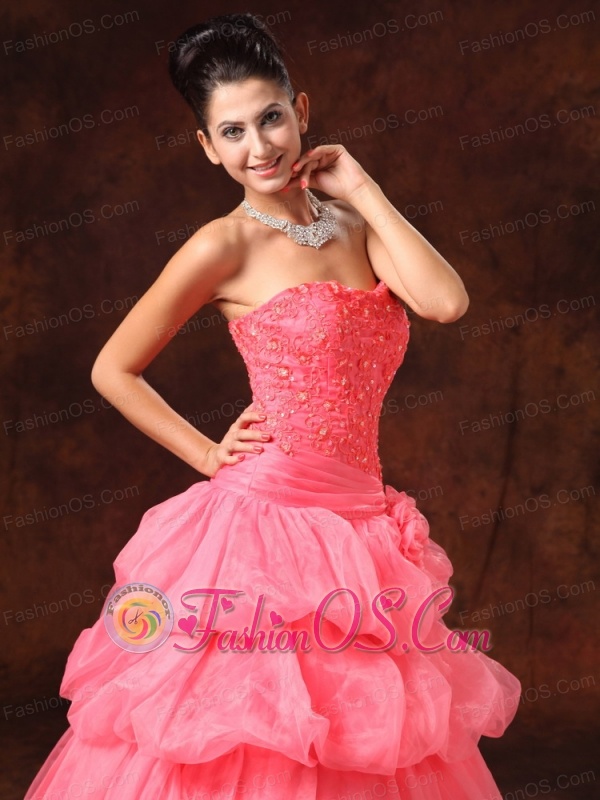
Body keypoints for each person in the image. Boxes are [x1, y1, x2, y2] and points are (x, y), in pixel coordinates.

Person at [25, 13, 521, 799]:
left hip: (361, 528)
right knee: (261, 733)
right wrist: (206, 454)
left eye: (271, 117)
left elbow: (446, 302)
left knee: (363, 735)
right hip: (264, 530)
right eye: (232, 131)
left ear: (302, 111)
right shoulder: (221, 245)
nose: (258, 146)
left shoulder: (356, 226)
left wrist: (363, 188)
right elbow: (113, 369)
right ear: (207, 147)